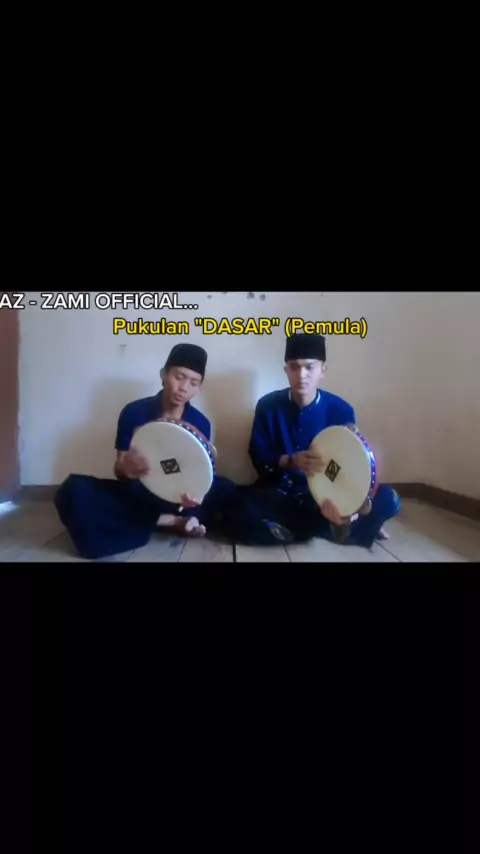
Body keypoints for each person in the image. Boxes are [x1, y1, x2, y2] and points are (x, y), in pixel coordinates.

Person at [55, 343, 235, 560]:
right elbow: (120, 471)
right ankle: (169, 521)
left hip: (176, 498)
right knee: (73, 490)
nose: (184, 388)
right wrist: (126, 468)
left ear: (199, 387)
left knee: (226, 488)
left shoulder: (201, 423)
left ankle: (172, 518)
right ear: (163, 374)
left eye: (193, 382)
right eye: (179, 377)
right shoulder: (134, 412)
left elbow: (198, 473)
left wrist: (194, 496)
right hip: (139, 495)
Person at [222, 333, 401, 549]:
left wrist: (348, 507)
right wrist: (290, 461)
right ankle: (332, 530)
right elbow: (258, 457)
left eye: (309, 367)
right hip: (280, 495)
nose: (302, 375)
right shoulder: (268, 406)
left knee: (389, 499)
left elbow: (352, 467)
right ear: (286, 370)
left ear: (322, 370)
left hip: (323, 500)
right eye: (294, 367)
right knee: (232, 502)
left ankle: (303, 529)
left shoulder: (341, 410)